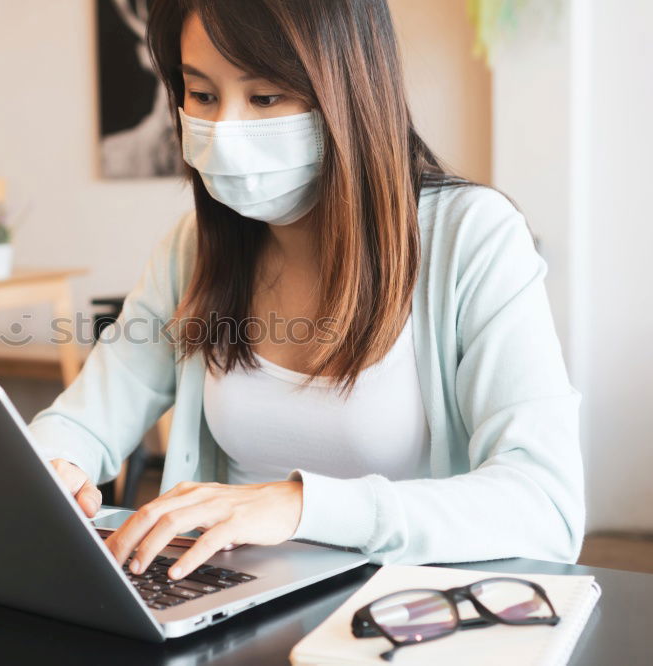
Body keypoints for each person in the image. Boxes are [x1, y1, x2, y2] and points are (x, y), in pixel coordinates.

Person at [29, 0, 584, 583]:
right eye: (202, 95)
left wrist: (299, 506)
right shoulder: (194, 247)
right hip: (227, 601)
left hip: (400, 612)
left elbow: (545, 506)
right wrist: (56, 464)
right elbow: (88, 418)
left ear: (350, 92)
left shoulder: (471, 236)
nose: (225, 132)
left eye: (265, 97)